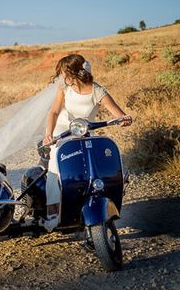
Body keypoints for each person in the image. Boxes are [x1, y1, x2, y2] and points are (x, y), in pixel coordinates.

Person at [41, 53, 132, 231]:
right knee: (55, 163)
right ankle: (52, 210)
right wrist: (49, 134)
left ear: (74, 73)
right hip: (63, 130)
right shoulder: (64, 88)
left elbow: (118, 114)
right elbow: (53, 112)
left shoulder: (97, 91)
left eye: (64, 73)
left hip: (84, 131)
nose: (62, 77)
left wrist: (124, 119)